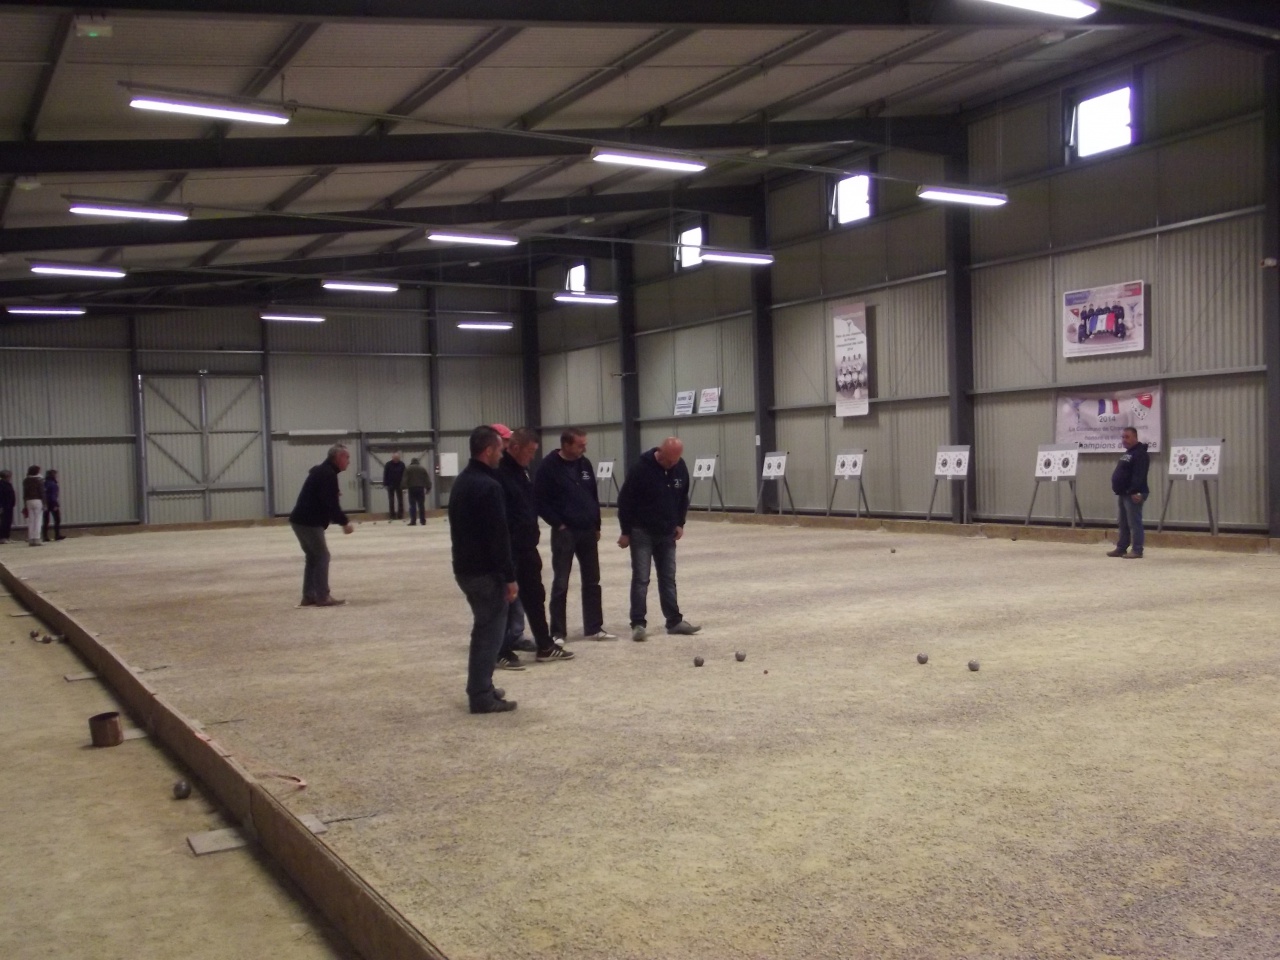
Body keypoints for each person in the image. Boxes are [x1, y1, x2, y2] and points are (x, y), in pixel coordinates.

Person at [449, 425, 519, 714]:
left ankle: (483, 686)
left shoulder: (463, 481)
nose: (502, 455)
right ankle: (480, 695)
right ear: (488, 450)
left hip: (464, 567)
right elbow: (498, 537)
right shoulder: (489, 486)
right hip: (484, 572)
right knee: (489, 634)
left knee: (484, 629)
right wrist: (510, 577)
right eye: (500, 450)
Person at [496, 427, 575, 669]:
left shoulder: (523, 472)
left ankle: (545, 645)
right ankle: (500, 650)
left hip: (527, 547)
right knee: (505, 601)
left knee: (535, 596)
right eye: (529, 452)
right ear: (515, 447)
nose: (532, 457)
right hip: (509, 548)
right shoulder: (499, 473)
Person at [534, 427, 616, 642]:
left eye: (584, 445)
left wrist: (597, 524)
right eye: (580, 445)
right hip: (565, 532)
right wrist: (558, 523)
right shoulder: (548, 467)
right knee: (561, 582)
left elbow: (592, 495)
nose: (584, 449)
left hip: (587, 530)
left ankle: (594, 627)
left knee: (593, 580)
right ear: (566, 445)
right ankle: (557, 632)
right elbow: (540, 500)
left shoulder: (585, 464)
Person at [616, 437, 701, 641]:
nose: (672, 464)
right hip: (641, 532)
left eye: (675, 460)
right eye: (669, 460)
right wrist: (625, 531)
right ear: (660, 452)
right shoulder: (640, 468)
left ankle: (674, 621)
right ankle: (638, 624)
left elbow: (683, 497)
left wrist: (680, 523)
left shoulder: (679, 467)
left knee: (668, 578)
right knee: (641, 579)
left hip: (667, 532)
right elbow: (625, 501)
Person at [288, 443, 354, 606]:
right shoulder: (327, 474)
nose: (349, 461)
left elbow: (323, 496)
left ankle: (309, 595)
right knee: (323, 556)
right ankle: (322, 596)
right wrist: (344, 522)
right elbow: (330, 503)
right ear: (338, 457)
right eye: (347, 457)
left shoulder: (323, 471)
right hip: (309, 521)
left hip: (299, 520)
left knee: (313, 557)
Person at [1107, 426, 1149, 559]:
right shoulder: (1129, 453)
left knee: (1134, 523)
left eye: (1127, 437)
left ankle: (1137, 550)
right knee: (1123, 523)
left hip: (1133, 494)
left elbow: (1139, 475)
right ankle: (1121, 548)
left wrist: (1135, 491)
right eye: (1123, 437)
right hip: (1123, 493)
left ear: (1135, 438)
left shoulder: (1140, 454)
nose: (1124, 439)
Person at [404, 456, 431, 526]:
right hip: (420, 488)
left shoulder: (408, 468)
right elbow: (427, 479)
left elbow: (405, 479)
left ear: (411, 462)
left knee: (412, 505)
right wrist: (428, 488)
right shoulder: (422, 468)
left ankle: (413, 521)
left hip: (411, 488)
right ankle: (423, 521)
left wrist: (404, 487)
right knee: (421, 505)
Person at [22, 466, 44, 547]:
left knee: (31, 520)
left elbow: (25, 493)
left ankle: (31, 538)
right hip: (37, 500)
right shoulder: (39, 480)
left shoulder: (26, 481)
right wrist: (45, 503)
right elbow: (42, 492)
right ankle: (37, 538)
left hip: (28, 500)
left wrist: (25, 504)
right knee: (38, 520)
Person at [42, 468, 64, 541]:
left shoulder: (44, 483)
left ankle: (45, 536)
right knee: (57, 519)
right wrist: (55, 504)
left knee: (46, 520)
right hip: (52, 502)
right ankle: (57, 535)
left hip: (45, 502)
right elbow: (53, 495)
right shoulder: (53, 484)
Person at [383, 452, 406, 520]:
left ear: (399, 458)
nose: (396, 459)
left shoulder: (402, 464)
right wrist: (385, 484)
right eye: (395, 458)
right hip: (391, 484)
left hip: (399, 484)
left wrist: (404, 484)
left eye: (397, 458)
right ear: (392, 458)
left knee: (400, 500)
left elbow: (404, 475)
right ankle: (392, 515)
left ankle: (400, 515)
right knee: (391, 500)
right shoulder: (388, 464)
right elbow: (385, 474)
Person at [0, 470, 14, 544]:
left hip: (9, 505)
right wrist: (1, 506)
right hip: (4, 505)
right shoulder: (1, 484)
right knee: (4, 522)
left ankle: (7, 536)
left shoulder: (8, 484)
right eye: (9, 476)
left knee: (8, 521)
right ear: (6, 477)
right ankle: (2, 537)